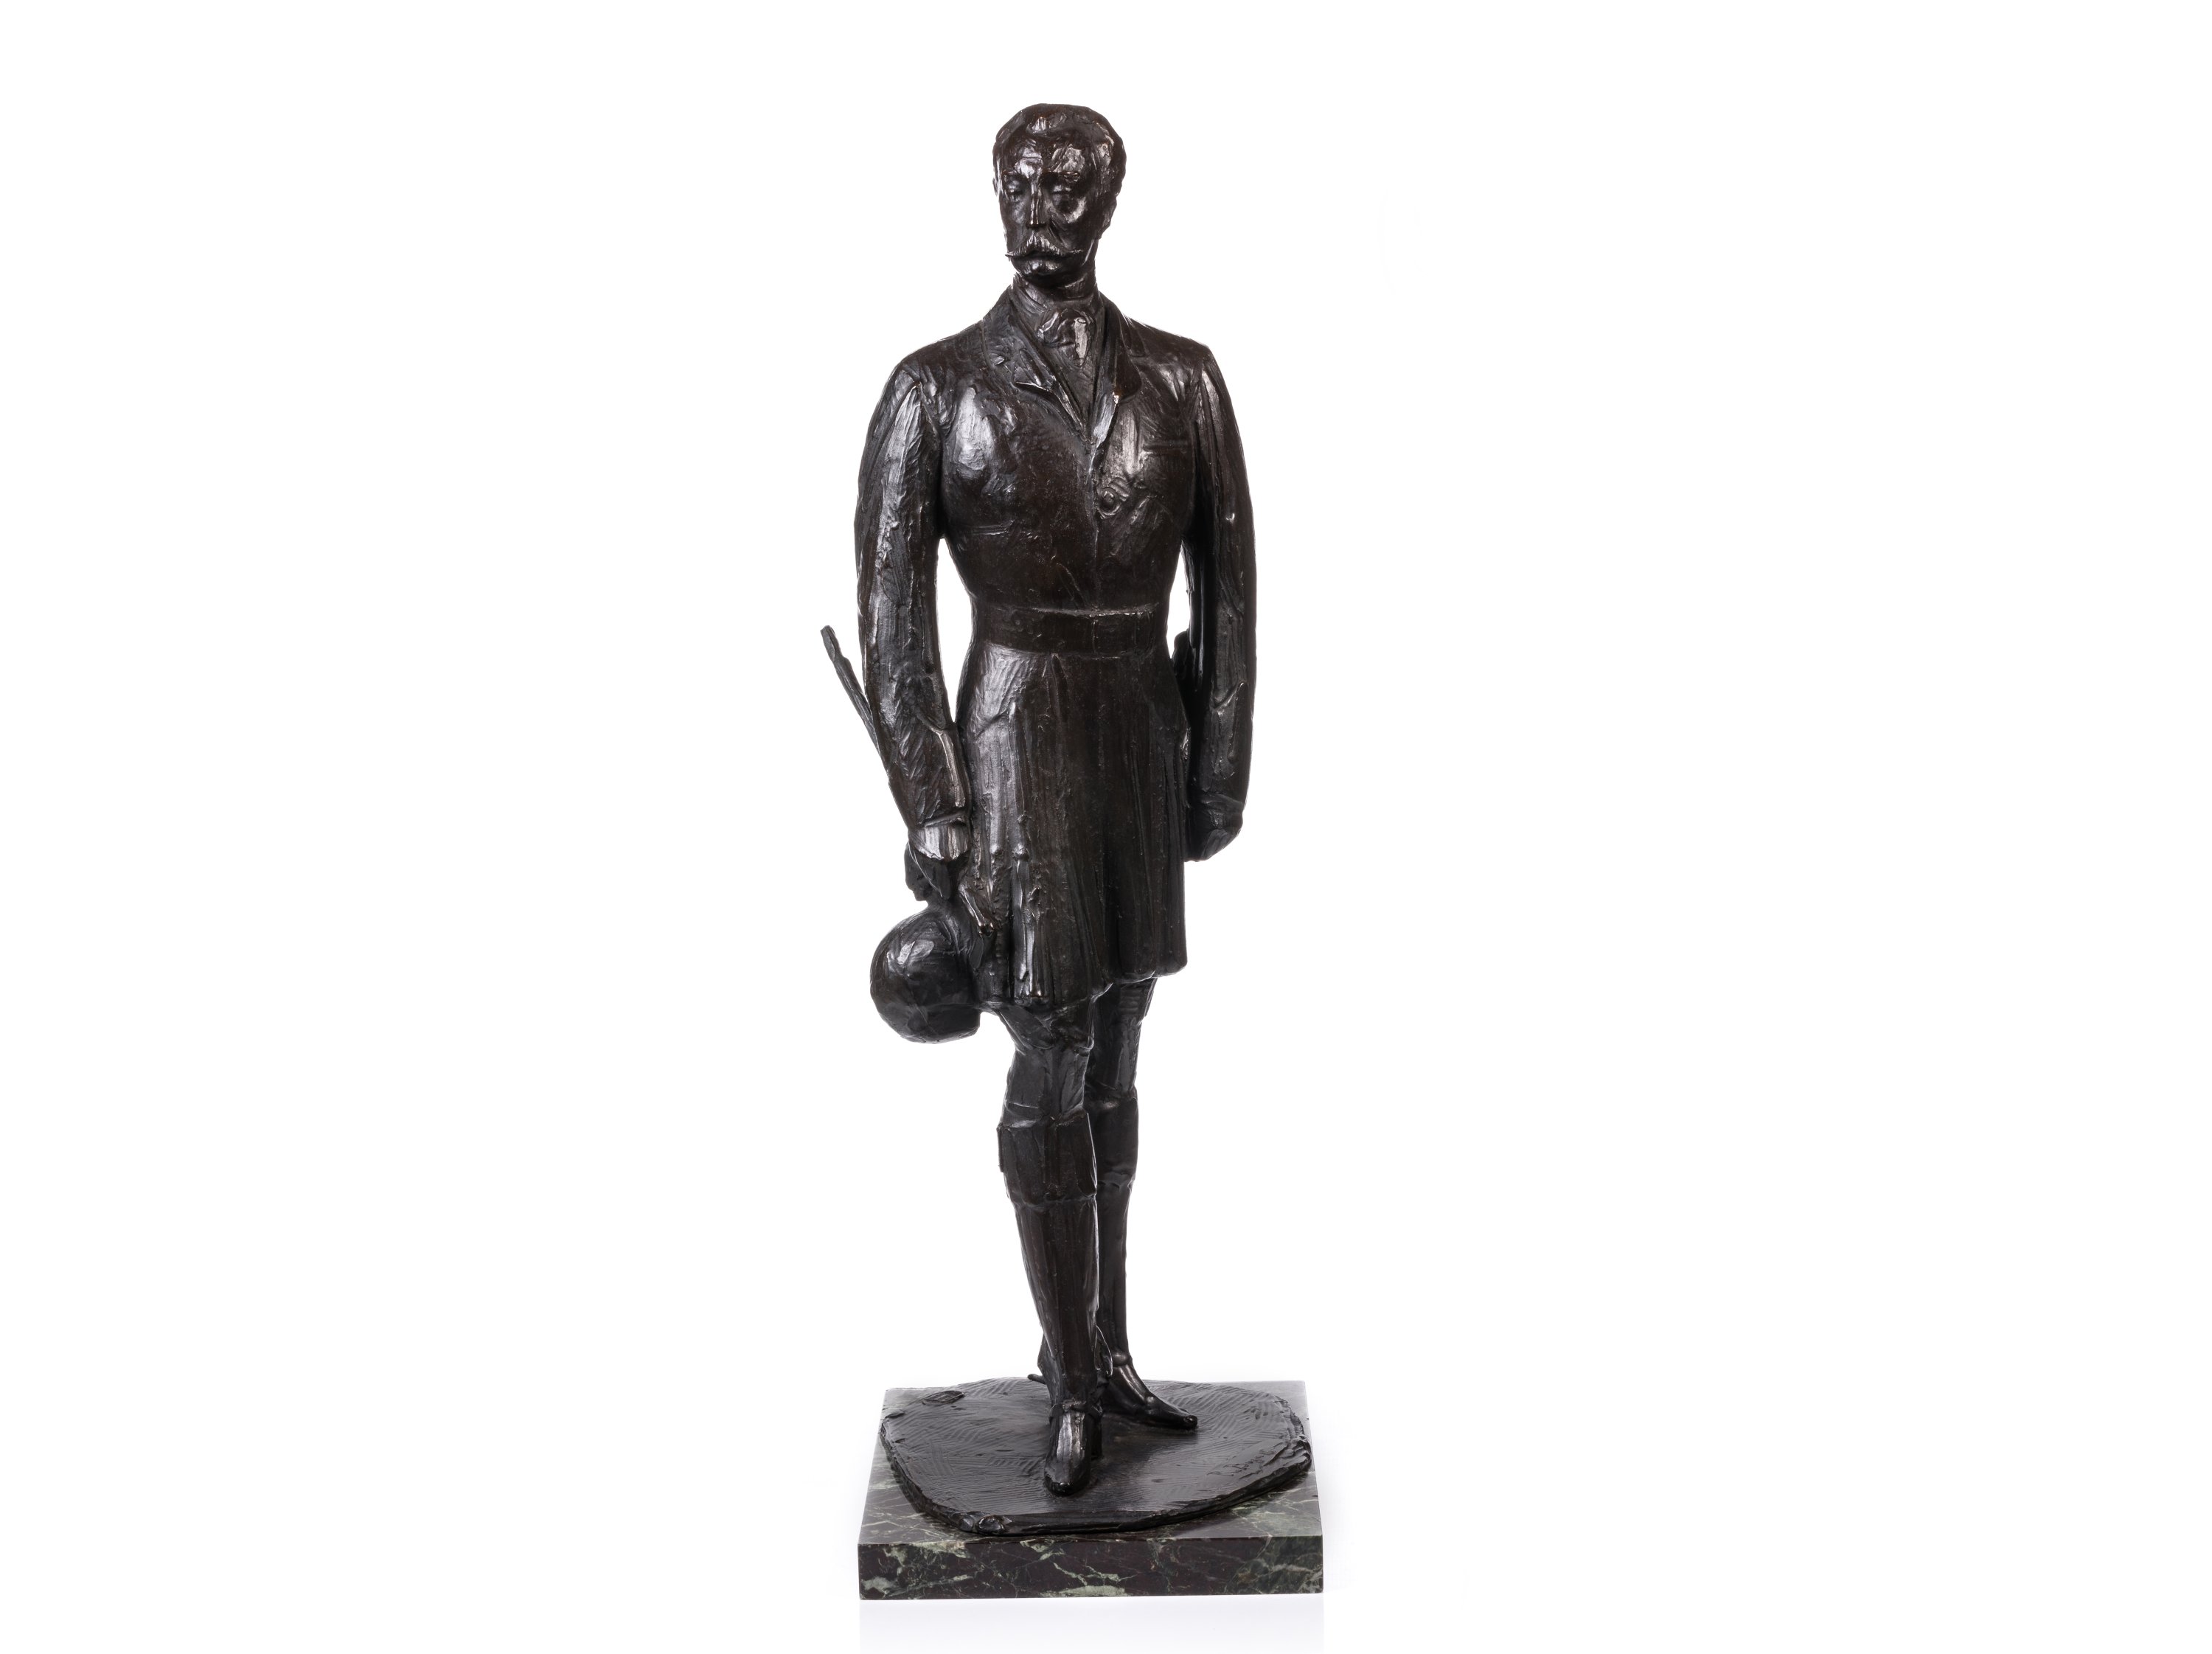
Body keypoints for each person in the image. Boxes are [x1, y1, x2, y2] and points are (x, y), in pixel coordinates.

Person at [853, 104, 1256, 1495]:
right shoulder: (933, 388)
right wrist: (932, 794)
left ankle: (1112, 1347)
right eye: (1025, 184)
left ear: (1111, 202)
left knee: (1123, 1041)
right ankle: (1069, 1376)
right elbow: (891, 613)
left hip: (1139, 724)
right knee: (1051, 1045)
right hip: (1013, 734)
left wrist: (1219, 763)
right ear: (996, 193)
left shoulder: (1183, 381)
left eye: (1073, 187)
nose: (1047, 209)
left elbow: (1232, 587)